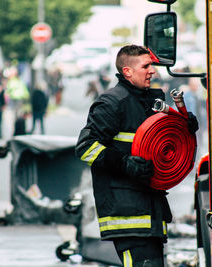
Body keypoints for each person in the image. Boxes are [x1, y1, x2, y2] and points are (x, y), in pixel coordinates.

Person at [75, 44, 199, 266]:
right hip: (126, 215)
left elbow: (163, 148)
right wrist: (124, 163)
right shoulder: (112, 103)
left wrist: (183, 129)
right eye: (146, 66)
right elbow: (86, 147)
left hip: (149, 212)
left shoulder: (149, 102)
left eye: (151, 65)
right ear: (127, 72)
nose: (152, 70)